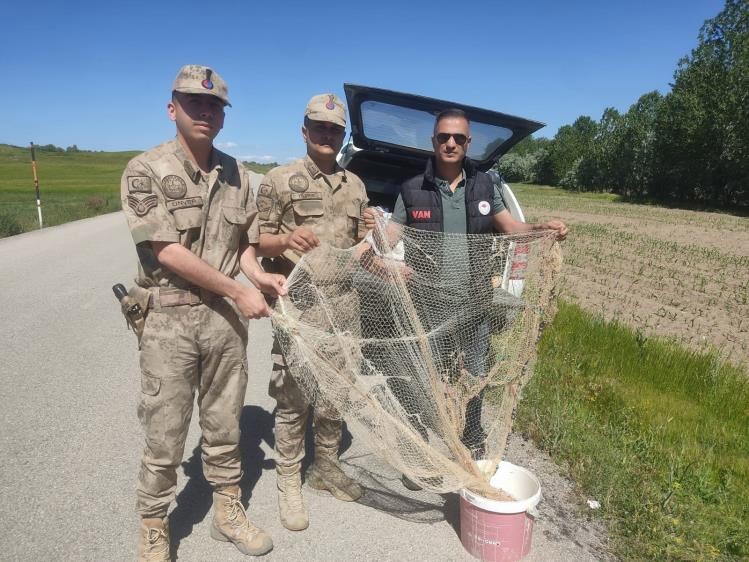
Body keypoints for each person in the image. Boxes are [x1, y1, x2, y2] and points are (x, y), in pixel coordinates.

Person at [120, 64, 284, 561]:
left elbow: (245, 248)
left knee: (225, 425)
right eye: (195, 103)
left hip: (225, 328)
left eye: (214, 106)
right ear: (173, 109)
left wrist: (259, 278)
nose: (205, 112)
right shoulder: (145, 169)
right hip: (168, 321)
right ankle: (154, 523)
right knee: (165, 432)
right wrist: (237, 291)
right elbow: (166, 251)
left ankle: (227, 509)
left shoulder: (238, 175)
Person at [364, 108, 567, 489]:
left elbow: (512, 229)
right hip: (429, 307)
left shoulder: (485, 187)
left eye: (458, 138)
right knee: (422, 380)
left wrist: (542, 228)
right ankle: (423, 454)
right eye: (444, 137)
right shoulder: (411, 189)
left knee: (472, 379)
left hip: (474, 306)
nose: (451, 143)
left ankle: (472, 448)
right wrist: (371, 235)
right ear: (434, 141)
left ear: (468, 143)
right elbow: (387, 240)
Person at [256, 93, 367, 531]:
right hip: (299, 307)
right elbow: (255, 242)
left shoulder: (354, 185)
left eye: (334, 129)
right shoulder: (279, 180)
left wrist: (377, 240)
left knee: (336, 395)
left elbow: (359, 249)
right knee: (294, 396)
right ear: (304, 131)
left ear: (342, 137)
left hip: (345, 306)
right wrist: (285, 241)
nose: (327, 134)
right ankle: (288, 478)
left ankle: (325, 466)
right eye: (319, 127)